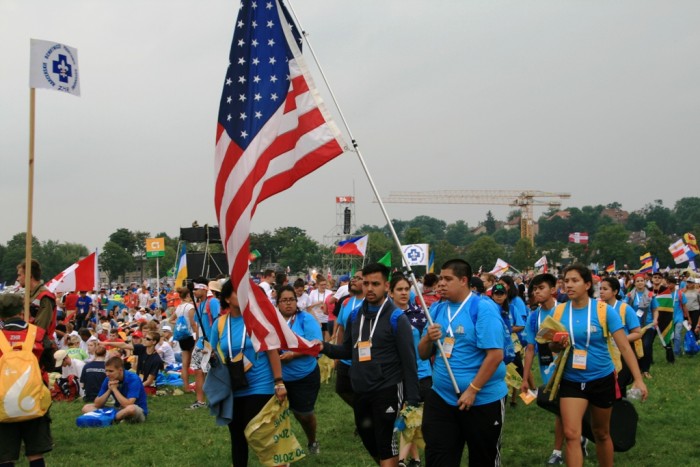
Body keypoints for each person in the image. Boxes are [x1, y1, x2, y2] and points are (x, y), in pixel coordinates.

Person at [319, 263, 420, 467]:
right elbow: (348, 350)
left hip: (388, 388)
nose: (370, 288)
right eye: (366, 283)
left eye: (375, 283)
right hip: (362, 388)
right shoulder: (356, 315)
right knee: (367, 436)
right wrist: (322, 347)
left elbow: (409, 360)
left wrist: (412, 398)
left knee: (385, 442)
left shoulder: (396, 318)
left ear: (386, 286)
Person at [551, 264, 648, 467]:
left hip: (601, 379)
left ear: (587, 284)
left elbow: (624, 346)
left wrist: (638, 379)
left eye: (574, 280)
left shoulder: (604, 311)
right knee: (571, 434)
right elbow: (553, 347)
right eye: (566, 281)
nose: (569, 285)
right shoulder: (559, 311)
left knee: (601, 433)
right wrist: (555, 344)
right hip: (571, 380)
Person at [419, 259, 507, 467]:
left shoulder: (482, 308)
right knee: (438, 458)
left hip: (481, 400)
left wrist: (473, 390)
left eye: (448, 279)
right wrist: (427, 339)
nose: (441, 283)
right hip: (441, 398)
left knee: (482, 459)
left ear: (464, 280)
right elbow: (422, 354)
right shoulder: (437, 309)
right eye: (441, 278)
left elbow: (495, 356)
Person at [209, 279, 286, 467]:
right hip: (233, 386)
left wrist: (279, 381)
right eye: (237, 292)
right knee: (237, 435)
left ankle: (278, 462)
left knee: (257, 431)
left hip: (260, 384)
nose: (243, 296)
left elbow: (272, 351)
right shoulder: (219, 325)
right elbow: (209, 352)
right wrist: (208, 359)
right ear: (227, 298)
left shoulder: (257, 320)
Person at [0, 293, 53, 467]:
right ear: (22, 311)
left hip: (3, 402)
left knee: (5, 455)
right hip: (34, 399)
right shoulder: (37, 334)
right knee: (35, 453)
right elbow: (50, 364)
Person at [521, 273, 568, 465]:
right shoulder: (534, 317)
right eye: (534, 289)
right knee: (560, 409)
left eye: (541, 288)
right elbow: (530, 348)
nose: (537, 292)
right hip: (548, 368)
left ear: (553, 289)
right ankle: (559, 450)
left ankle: (564, 446)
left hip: (572, 367)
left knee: (569, 408)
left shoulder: (565, 310)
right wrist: (525, 378)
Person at [389, 275, 431, 467]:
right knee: (405, 416)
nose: (404, 292)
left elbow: (428, 347)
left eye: (407, 289)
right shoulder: (386, 316)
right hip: (394, 375)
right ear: (391, 292)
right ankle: (415, 459)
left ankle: (400, 461)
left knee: (410, 416)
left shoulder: (421, 315)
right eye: (399, 289)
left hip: (420, 374)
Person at [276, 285, 323, 454]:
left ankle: (312, 441)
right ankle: (281, 448)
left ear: (296, 302)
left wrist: (293, 355)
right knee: (276, 415)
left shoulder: (306, 319)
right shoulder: (273, 321)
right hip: (279, 377)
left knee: (303, 414)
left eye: (291, 300)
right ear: (278, 303)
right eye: (284, 300)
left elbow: (316, 345)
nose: (288, 304)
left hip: (304, 375)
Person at [599, 277, 643, 396]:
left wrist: (620, 340)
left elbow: (638, 333)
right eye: (600, 289)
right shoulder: (598, 309)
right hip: (604, 354)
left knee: (619, 385)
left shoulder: (625, 309)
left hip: (622, 354)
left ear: (615, 291)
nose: (601, 292)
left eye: (605, 289)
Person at [331, 271, 364, 408]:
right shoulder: (346, 302)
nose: (354, 280)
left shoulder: (371, 302)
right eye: (353, 278)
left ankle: (364, 420)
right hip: (346, 357)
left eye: (358, 278)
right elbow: (342, 329)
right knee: (342, 389)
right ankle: (363, 413)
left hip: (363, 357)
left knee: (362, 392)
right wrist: (337, 355)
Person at [82, 356, 148, 424]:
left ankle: (107, 419)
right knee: (86, 407)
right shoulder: (108, 379)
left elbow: (128, 404)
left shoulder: (133, 379)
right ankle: (113, 419)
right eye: (106, 371)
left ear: (120, 370)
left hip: (135, 410)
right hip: (118, 409)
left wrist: (114, 389)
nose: (107, 374)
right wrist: (109, 390)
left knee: (131, 409)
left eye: (111, 371)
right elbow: (97, 404)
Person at [190, 278, 220, 409]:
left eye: (196, 289)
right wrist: (197, 343)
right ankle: (200, 401)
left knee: (209, 372)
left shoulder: (212, 302)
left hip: (210, 343)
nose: (194, 292)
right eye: (193, 290)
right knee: (198, 371)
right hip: (200, 343)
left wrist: (213, 344)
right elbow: (198, 326)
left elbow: (218, 322)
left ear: (204, 288)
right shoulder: (199, 304)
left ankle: (214, 400)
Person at [625, 273, 658, 378]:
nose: (640, 283)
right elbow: (624, 308)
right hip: (634, 326)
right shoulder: (630, 295)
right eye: (637, 281)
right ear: (634, 283)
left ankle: (645, 370)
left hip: (648, 325)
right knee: (635, 348)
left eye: (641, 280)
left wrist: (655, 319)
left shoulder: (650, 295)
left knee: (646, 346)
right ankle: (637, 369)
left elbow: (655, 309)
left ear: (645, 282)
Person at [16, 259, 57, 340]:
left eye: (19, 275)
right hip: (28, 341)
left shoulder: (45, 296)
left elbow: (40, 328)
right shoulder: (27, 295)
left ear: (29, 276)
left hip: (40, 346)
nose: (17, 279)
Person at [169, 286, 196, 392]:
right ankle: (200, 384)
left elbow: (171, 320)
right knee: (198, 361)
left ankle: (186, 386)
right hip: (190, 335)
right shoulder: (190, 307)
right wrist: (197, 334)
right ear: (189, 295)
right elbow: (193, 323)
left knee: (185, 363)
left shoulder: (179, 307)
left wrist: (179, 324)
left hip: (181, 337)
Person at [308, 276, 333, 341]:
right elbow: (308, 306)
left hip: (327, 318)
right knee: (320, 339)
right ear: (317, 285)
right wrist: (318, 303)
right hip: (317, 318)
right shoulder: (313, 292)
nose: (323, 286)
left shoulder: (329, 292)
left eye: (325, 284)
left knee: (328, 340)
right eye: (321, 285)